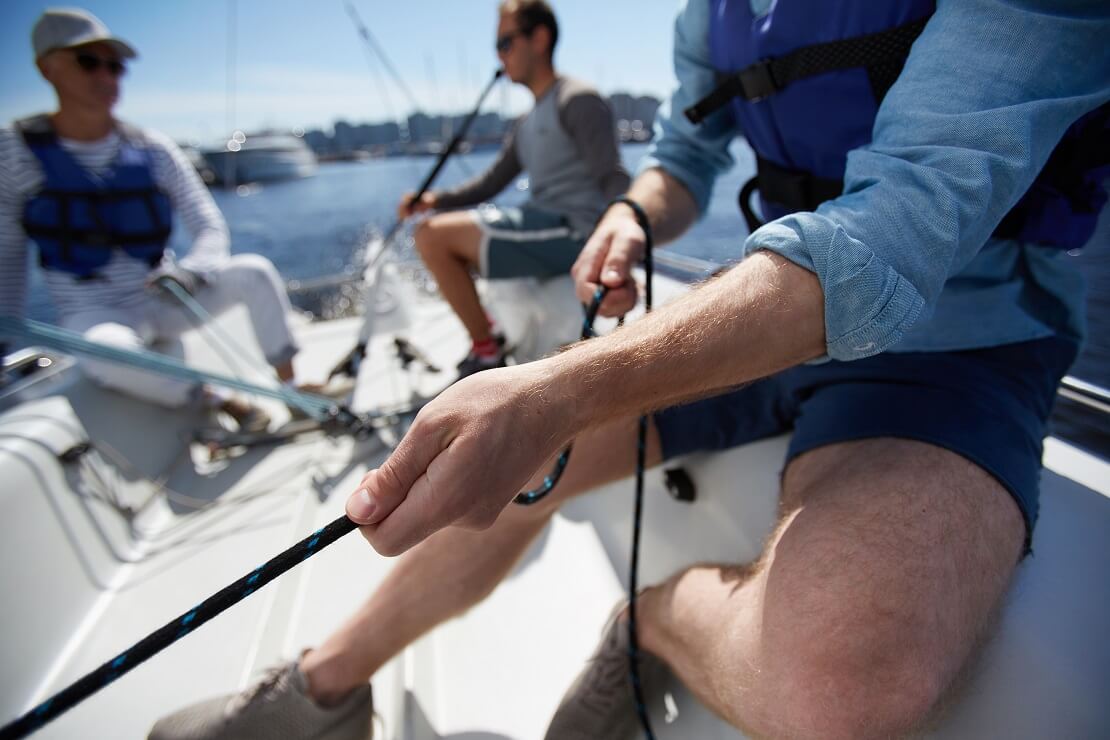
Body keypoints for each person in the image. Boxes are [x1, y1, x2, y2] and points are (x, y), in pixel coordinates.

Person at [151, 1, 1108, 739]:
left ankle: (648, 623)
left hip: (958, 342)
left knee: (839, 690)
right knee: (478, 465)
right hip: (758, 308)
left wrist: (562, 388)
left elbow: (896, 228)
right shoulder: (716, 11)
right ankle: (321, 691)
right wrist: (637, 212)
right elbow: (685, 154)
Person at [0, 8, 316, 430]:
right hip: (93, 310)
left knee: (254, 271)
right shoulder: (13, 152)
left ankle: (293, 391)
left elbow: (208, 225)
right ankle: (217, 397)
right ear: (47, 67)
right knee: (105, 353)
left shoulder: (154, 148)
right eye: (89, 62)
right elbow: (7, 258)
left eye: (115, 66)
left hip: (165, 296)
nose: (108, 77)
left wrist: (193, 271)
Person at [397, 0, 629, 378]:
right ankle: (492, 333)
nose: (499, 57)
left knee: (432, 237)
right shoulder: (527, 120)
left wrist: (622, 241)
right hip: (539, 222)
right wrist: (433, 200)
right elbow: (491, 182)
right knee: (435, 229)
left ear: (539, 39)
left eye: (505, 44)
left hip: (573, 231)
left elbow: (613, 177)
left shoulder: (577, 100)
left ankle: (486, 350)